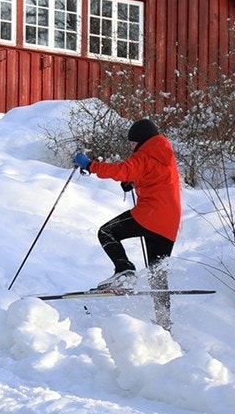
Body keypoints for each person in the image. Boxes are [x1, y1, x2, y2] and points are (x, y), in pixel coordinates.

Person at [73, 118, 182, 299]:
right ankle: (163, 324)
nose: (132, 147)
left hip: (151, 214)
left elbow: (120, 170)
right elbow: (155, 177)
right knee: (157, 276)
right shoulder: (165, 155)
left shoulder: (145, 155)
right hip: (170, 222)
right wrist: (134, 180)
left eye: (133, 143)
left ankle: (125, 270)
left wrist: (90, 165)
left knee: (106, 232)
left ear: (141, 140)